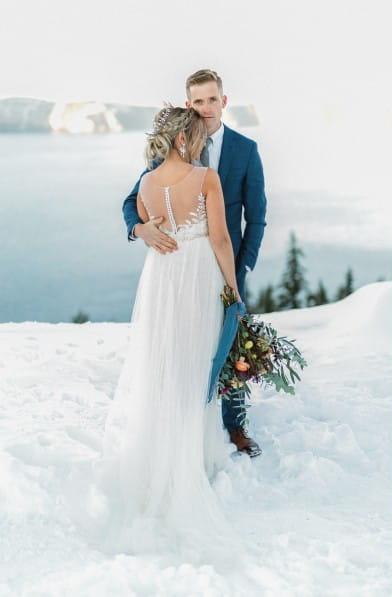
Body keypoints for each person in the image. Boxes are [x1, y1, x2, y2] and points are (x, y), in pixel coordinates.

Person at [104, 106, 241, 558]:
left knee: (165, 362)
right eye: (199, 137)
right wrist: (234, 290)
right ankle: (192, 461)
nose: (203, 144)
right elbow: (221, 238)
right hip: (199, 272)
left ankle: (162, 455)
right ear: (184, 139)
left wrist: (147, 228)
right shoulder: (206, 179)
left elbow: (147, 219)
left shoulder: (146, 182)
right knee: (197, 359)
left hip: (162, 274)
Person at [122, 69, 267, 457]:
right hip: (180, 265)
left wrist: (243, 267)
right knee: (183, 342)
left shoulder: (245, 149)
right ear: (189, 105)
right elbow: (132, 200)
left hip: (226, 264)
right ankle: (184, 418)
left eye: (211, 99)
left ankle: (235, 426)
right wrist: (141, 230)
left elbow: (256, 216)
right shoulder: (173, 149)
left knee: (231, 344)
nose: (205, 107)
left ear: (224, 100)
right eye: (198, 101)